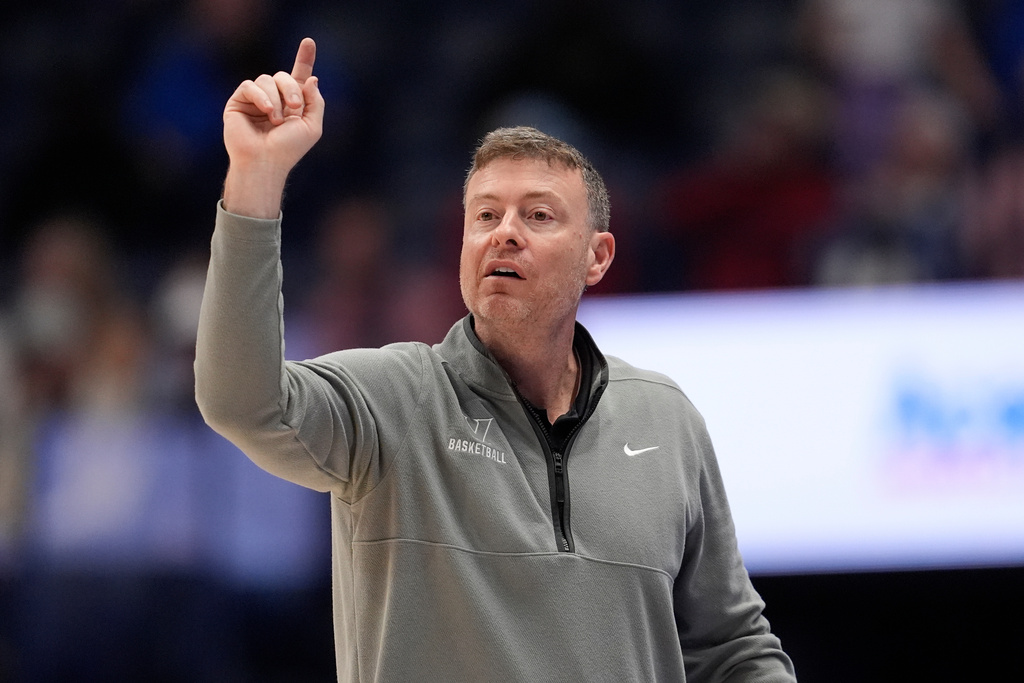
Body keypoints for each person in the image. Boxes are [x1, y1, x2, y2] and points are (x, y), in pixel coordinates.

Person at [195, 38, 797, 682]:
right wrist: (255, 182)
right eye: (485, 215)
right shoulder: (393, 398)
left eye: (537, 215)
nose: (503, 231)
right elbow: (244, 404)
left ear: (598, 257)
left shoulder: (665, 418)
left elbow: (731, 645)